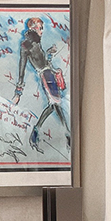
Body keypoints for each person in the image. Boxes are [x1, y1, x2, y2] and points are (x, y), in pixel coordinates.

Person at [12, 16, 70, 152]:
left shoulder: (37, 42)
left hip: (50, 74)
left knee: (54, 105)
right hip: (46, 76)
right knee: (56, 104)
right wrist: (18, 92)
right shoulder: (26, 45)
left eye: (42, 28)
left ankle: (37, 132)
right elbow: (22, 69)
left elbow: (44, 62)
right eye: (40, 28)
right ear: (33, 28)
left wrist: (49, 54)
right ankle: (67, 134)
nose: (42, 31)